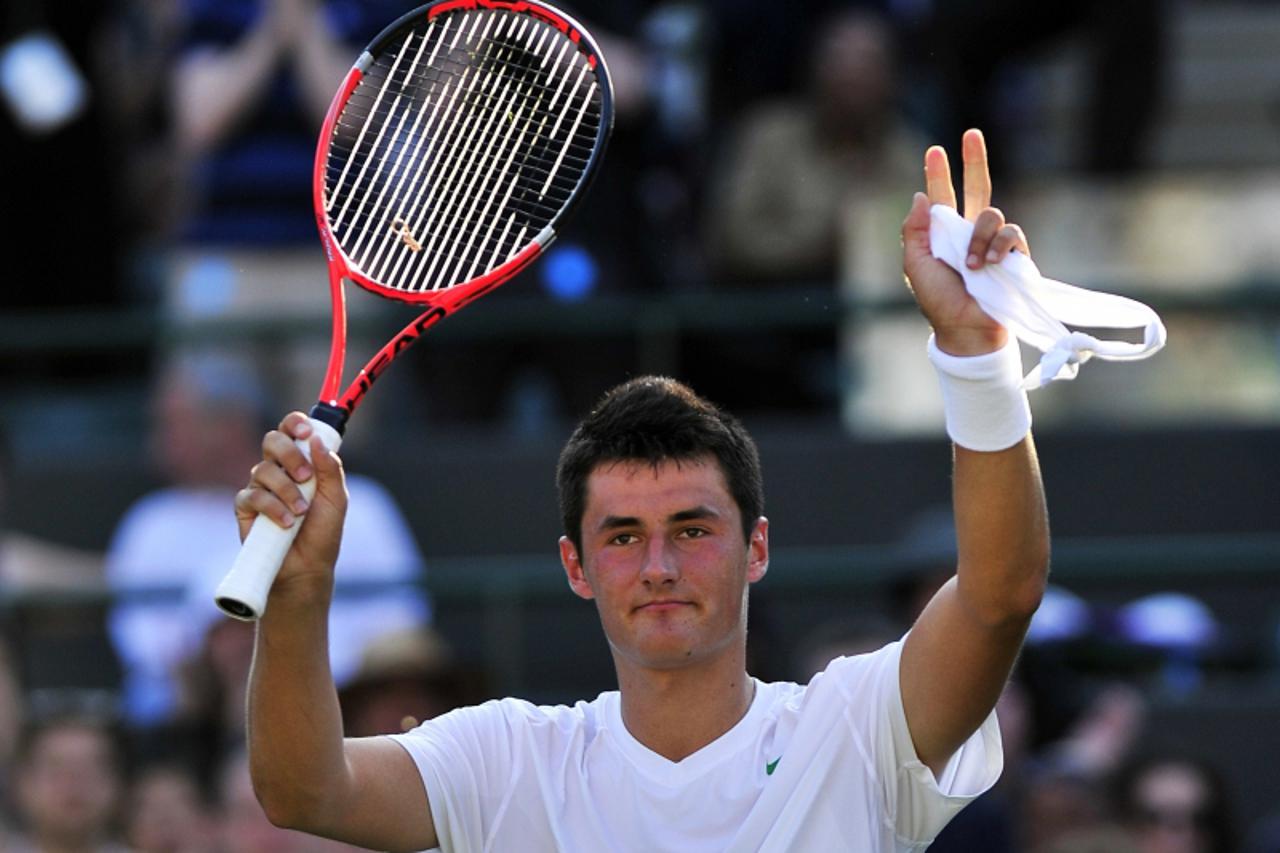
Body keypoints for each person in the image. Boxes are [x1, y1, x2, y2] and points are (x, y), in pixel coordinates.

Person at [233, 129, 1051, 850]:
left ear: (756, 546)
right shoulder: (507, 761)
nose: (658, 563)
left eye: (692, 529)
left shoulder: (856, 729)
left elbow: (1000, 594)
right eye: (622, 535)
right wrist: (298, 595)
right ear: (575, 565)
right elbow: (303, 790)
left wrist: (977, 357)